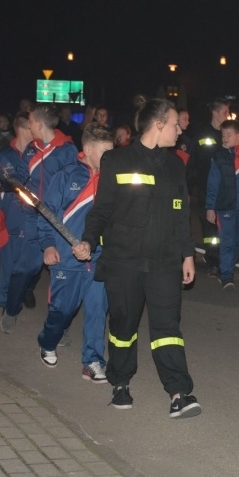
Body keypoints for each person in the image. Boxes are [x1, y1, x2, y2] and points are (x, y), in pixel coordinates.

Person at [77, 99, 200, 419]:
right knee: (122, 327)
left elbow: (181, 212)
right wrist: (89, 239)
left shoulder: (176, 164)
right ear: (158, 125)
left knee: (168, 328)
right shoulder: (116, 160)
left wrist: (187, 253)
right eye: (175, 123)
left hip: (164, 263)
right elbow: (102, 209)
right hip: (124, 262)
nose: (179, 129)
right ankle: (120, 383)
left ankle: (178, 392)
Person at [36, 123, 113, 383]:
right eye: (105, 152)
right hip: (66, 258)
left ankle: (92, 361)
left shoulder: (111, 179)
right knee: (64, 310)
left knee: (97, 309)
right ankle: (47, 341)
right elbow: (46, 212)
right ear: (88, 149)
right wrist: (48, 245)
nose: (109, 158)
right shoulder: (67, 176)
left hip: (99, 257)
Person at [0, 104, 78, 333]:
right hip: (33, 218)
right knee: (25, 268)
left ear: (40, 124)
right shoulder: (31, 150)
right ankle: (11, 309)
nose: (29, 125)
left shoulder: (67, 151)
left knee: (59, 277)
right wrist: (2, 178)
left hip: (58, 222)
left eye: (31, 121)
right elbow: (20, 178)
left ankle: (56, 329)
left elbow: (74, 187)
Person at [0, 112, 36, 312]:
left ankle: (26, 289)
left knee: (33, 265)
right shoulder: (2, 156)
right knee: (8, 261)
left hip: (34, 217)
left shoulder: (40, 154)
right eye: (33, 126)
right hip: (10, 216)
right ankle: (6, 303)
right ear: (24, 129)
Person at [189, 97, 230, 277]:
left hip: (224, 190)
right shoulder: (202, 134)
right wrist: (188, 188)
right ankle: (213, 260)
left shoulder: (227, 135)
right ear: (215, 113)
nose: (228, 115)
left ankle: (223, 258)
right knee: (210, 229)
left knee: (224, 227)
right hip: (205, 189)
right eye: (225, 112)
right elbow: (194, 163)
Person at [205, 119, 239, 288]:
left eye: (229, 135)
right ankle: (227, 275)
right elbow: (212, 184)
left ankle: (228, 267)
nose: (225, 138)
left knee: (238, 241)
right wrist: (210, 207)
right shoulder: (218, 158)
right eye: (223, 135)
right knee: (227, 241)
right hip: (225, 208)